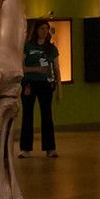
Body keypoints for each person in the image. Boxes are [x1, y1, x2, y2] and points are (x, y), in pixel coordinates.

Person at [19, 18, 61, 158]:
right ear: (36, 30)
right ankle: (25, 148)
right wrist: (36, 69)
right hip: (29, 83)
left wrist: (59, 86)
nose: (44, 31)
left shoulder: (51, 48)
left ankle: (50, 148)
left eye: (46, 29)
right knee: (27, 115)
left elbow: (56, 68)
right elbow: (21, 67)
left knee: (47, 115)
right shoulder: (28, 47)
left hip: (45, 84)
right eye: (42, 28)